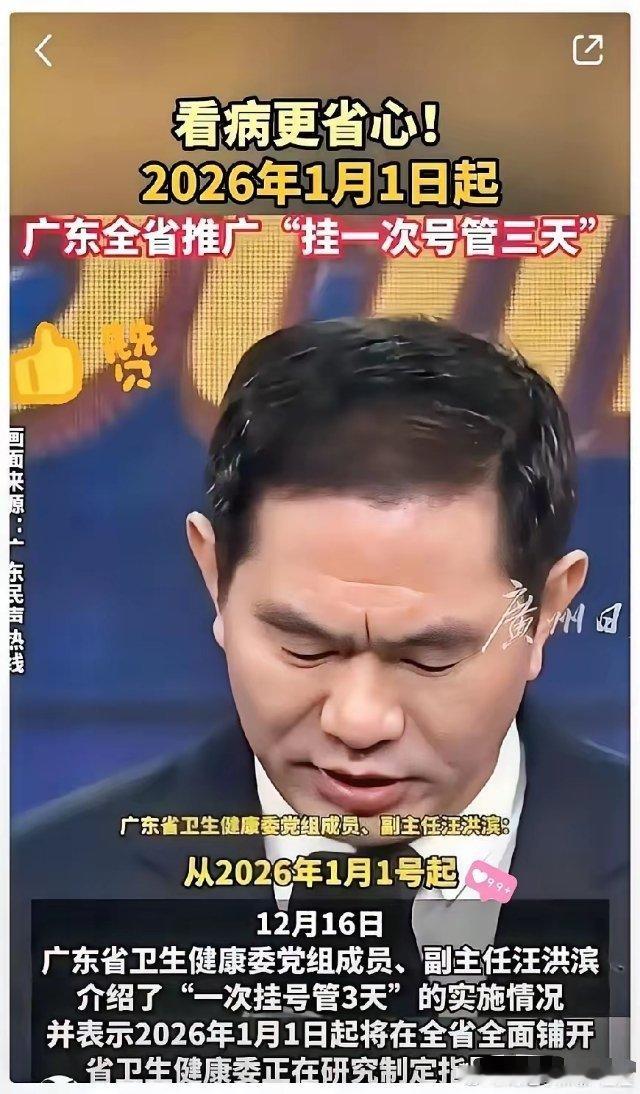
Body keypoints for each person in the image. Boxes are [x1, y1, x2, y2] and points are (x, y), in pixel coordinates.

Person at [12, 317, 629, 1079]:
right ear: (214, 576)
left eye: (430, 656)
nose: (358, 721)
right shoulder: (32, 898)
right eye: (304, 647)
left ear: (549, 610)